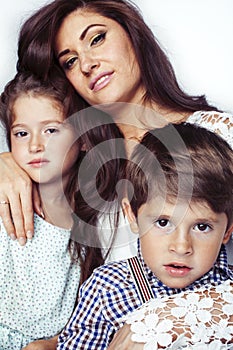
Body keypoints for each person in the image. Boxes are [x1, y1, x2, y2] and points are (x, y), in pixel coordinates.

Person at [0, 0, 232, 249]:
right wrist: (7, 164)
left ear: (133, 34)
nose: (87, 64)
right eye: (70, 61)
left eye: (97, 39)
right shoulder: (82, 166)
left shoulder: (219, 135)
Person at [56, 122, 233, 349]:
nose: (181, 247)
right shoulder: (107, 289)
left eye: (202, 227)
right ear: (132, 215)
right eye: (163, 222)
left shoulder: (226, 292)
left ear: (228, 230)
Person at [0, 70, 125, 350]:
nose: (35, 145)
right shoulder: (4, 198)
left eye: (51, 131)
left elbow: (98, 317)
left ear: (82, 140)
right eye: (21, 133)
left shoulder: (103, 220)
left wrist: (54, 344)